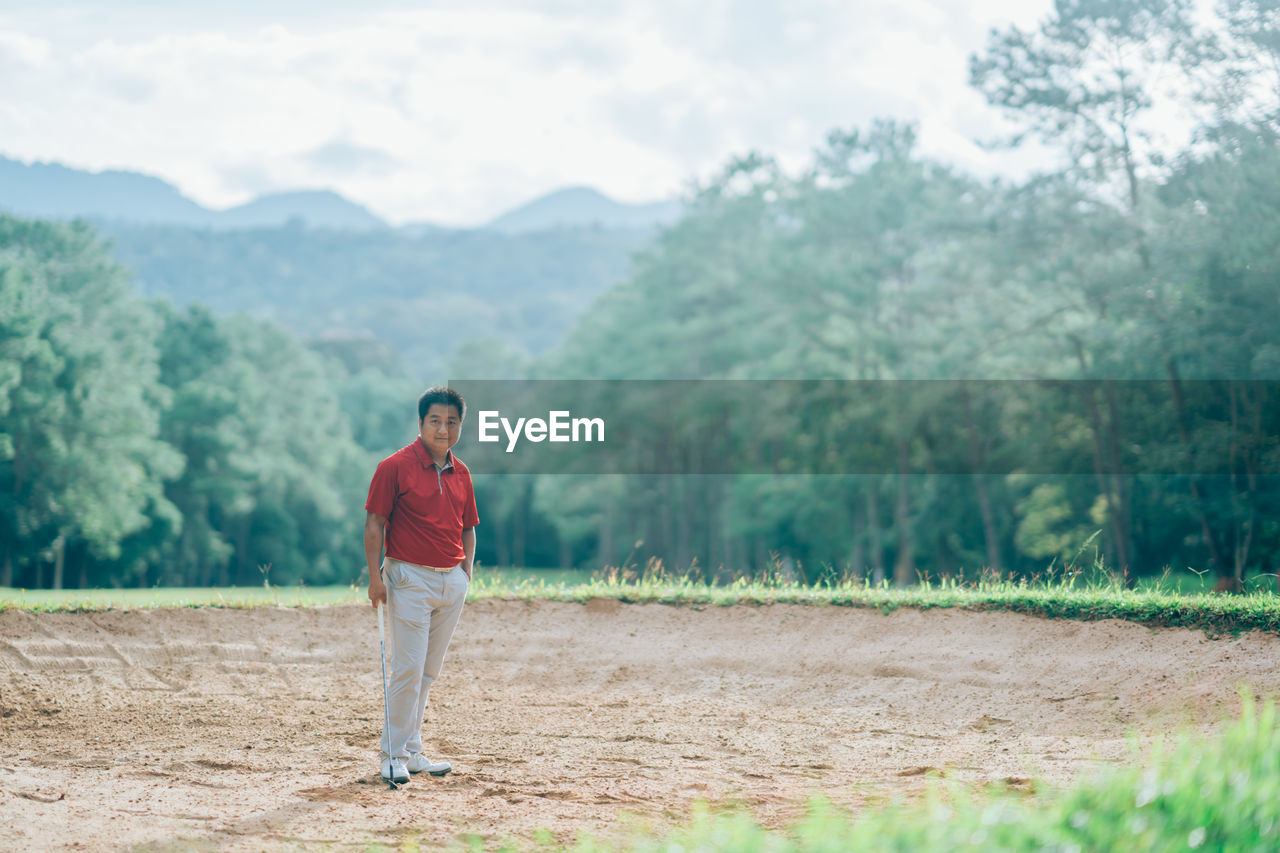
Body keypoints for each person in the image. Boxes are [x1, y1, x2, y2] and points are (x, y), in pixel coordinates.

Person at [364, 386, 478, 785]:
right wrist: (375, 578)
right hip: (409, 576)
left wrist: (466, 574)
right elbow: (375, 523)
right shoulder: (394, 467)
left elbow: (468, 528)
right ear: (420, 423)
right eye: (435, 421)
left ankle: (412, 751)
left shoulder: (461, 472)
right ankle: (391, 755)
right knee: (408, 669)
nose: (443, 429)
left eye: (451, 422)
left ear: (460, 426)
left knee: (427, 672)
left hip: (452, 581)